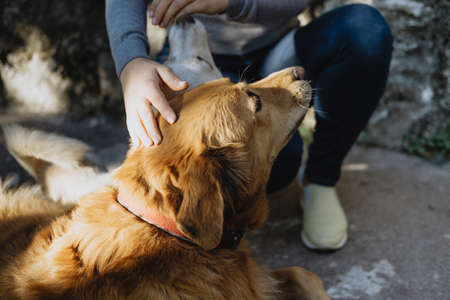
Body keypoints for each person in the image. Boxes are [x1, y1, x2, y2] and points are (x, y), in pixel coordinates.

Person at [106, 0, 393, 250]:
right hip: (193, 52)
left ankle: (321, 179)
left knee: (364, 28)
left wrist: (233, 1)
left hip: (278, 48)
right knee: (275, 166)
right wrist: (131, 59)